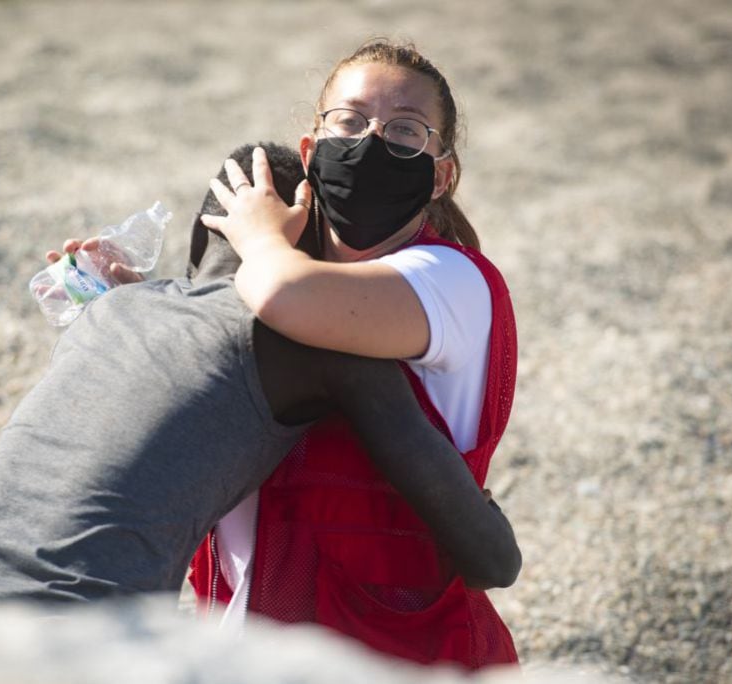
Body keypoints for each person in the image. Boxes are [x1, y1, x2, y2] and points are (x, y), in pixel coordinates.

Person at [0, 142, 520, 641]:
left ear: (196, 245)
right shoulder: (321, 348)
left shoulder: (113, 309)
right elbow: (495, 561)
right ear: (312, 265)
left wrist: (135, 294)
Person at [191, 39, 521, 670]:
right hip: (244, 645)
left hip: (405, 660)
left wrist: (259, 233)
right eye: (349, 120)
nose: (371, 142)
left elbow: (288, 295)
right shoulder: (275, 274)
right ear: (312, 151)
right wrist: (124, 300)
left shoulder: (452, 282)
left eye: (405, 131)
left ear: (441, 173)